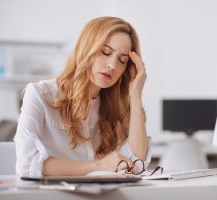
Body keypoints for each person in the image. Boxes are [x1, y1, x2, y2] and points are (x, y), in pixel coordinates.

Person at [14, 16, 151, 177]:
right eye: (106, 52)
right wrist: (98, 166)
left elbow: (138, 163)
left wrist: (135, 95)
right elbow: (27, 164)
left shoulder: (117, 107)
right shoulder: (39, 95)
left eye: (122, 60)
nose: (112, 65)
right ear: (86, 49)